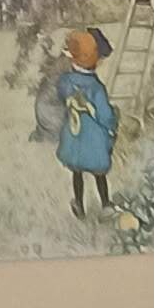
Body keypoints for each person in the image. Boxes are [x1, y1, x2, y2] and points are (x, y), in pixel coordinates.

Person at [50, 28, 118, 220]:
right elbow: (105, 115)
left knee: (77, 172)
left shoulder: (65, 81)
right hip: (94, 139)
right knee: (99, 174)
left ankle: (79, 204)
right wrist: (113, 125)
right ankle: (105, 205)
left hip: (75, 136)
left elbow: (62, 94)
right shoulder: (96, 88)